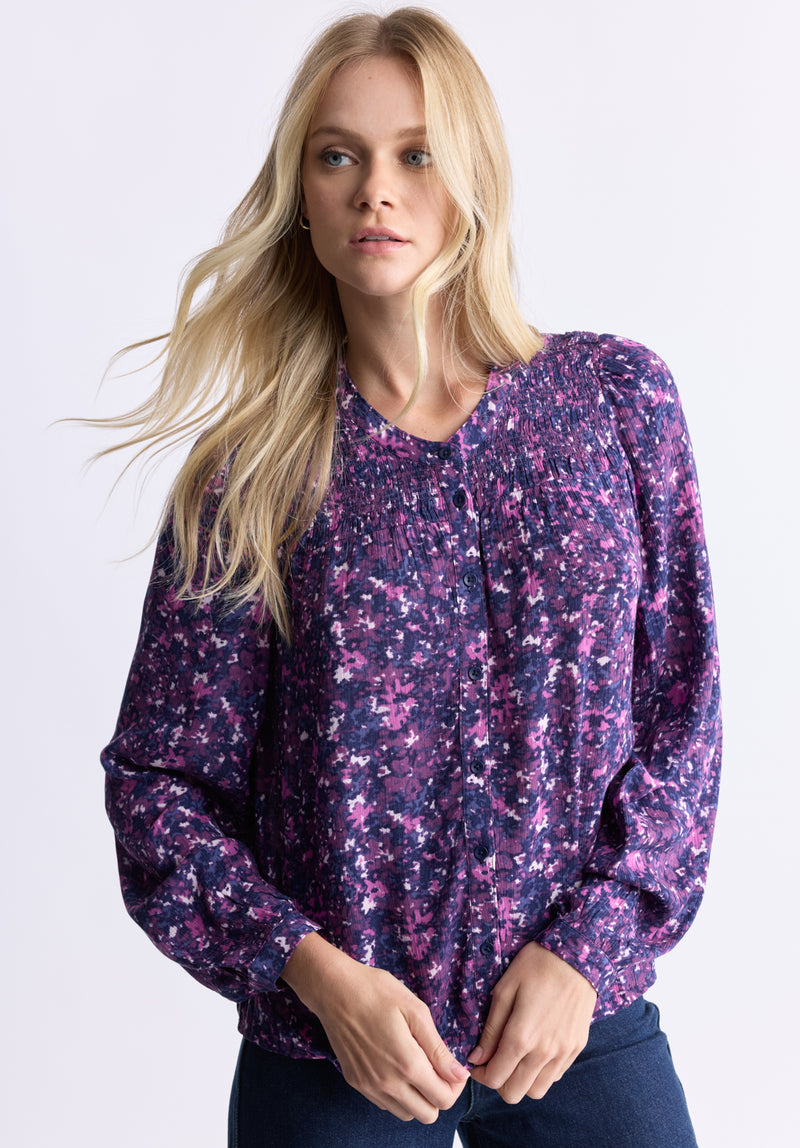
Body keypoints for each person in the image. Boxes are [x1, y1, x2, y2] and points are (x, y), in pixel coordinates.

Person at [99, 7, 721, 1146]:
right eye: (338, 156)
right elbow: (159, 786)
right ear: (301, 193)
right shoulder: (250, 476)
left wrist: (587, 948)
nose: (375, 191)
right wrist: (317, 976)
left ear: (471, 176)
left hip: (578, 1029)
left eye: (416, 154)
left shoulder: (614, 404)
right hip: (337, 1056)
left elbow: (682, 709)